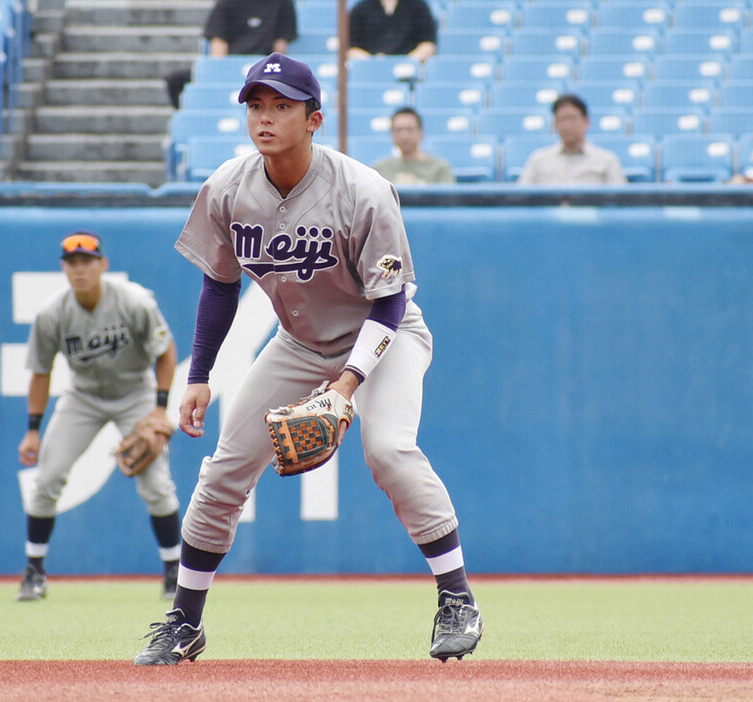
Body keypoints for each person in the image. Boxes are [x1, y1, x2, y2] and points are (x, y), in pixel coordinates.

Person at [133, 53, 483, 666]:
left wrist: (345, 386)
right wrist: (198, 376)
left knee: (389, 450)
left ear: (314, 118)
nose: (265, 118)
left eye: (282, 106)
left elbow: (390, 303)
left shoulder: (365, 192)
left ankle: (456, 599)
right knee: (223, 471)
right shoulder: (227, 188)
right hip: (299, 344)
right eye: (256, 106)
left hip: (384, 336)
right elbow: (220, 285)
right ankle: (185, 622)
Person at [16, 231, 182, 603]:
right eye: (72, 263)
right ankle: (34, 571)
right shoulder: (52, 314)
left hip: (135, 394)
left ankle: (175, 570)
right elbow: (40, 373)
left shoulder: (134, 301)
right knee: (47, 478)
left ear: (103, 265)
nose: (80, 270)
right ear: (63, 268)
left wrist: (159, 408)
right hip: (83, 397)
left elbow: (165, 351)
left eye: (87, 261)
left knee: (155, 484)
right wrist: (32, 431)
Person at [166, 0, 298, 110]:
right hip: (229, 68)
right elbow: (218, 46)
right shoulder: (227, 2)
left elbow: (279, 50)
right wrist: (221, 74)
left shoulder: (283, 3)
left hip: (263, 71)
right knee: (176, 80)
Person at [518, 94, 628, 185]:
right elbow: (519, 197)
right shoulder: (539, 160)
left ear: (586, 122)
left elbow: (621, 200)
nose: (567, 126)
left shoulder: (607, 161)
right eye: (561, 119)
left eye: (572, 119)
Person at [373, 107, 455, 185]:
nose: (404, 136)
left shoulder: (439, 169)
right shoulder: (380, 169)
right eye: (398, 130)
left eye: (410, 129)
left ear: (421, 132)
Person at [348, 0, 437, 62]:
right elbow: (351, 48)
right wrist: (373, 63)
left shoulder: (419, 7)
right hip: (369, 72)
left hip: (408, 73)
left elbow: (428, 45)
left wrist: (407, 62)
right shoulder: (360, 9)